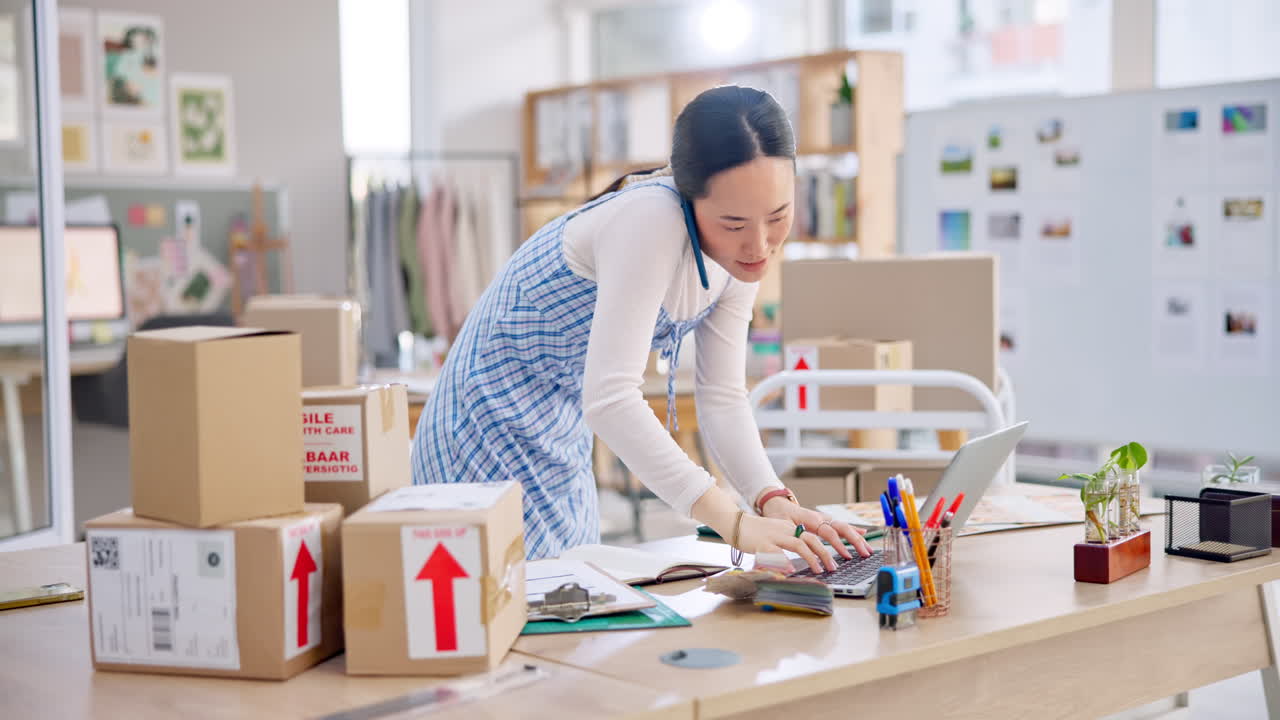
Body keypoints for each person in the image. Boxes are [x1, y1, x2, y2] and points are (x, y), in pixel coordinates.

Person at [411, 85, 871, 571]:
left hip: (558, 433)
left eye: (777, 216)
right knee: (500, 608)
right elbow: (611, 400)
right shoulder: (650, 218)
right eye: (733, 224)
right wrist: (732, 523)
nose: (759, 243)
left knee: (567, 607)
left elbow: (722, 395)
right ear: (689, 198)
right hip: (481, 424)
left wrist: (772, 500)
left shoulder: (739, 258)